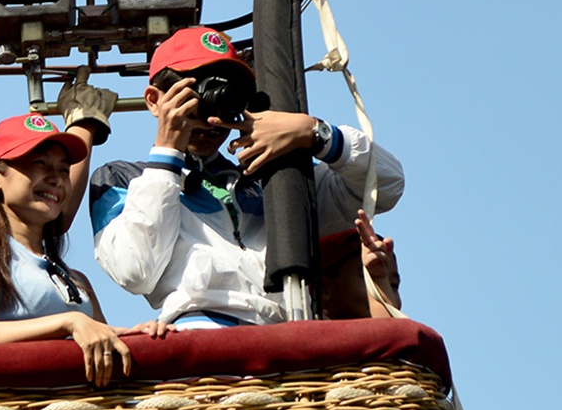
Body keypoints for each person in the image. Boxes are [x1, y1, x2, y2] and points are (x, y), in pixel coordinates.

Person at [90, 26, 403, 328]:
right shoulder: (121, 179)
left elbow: (386, 184)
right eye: (197, 91)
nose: (213, 111)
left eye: (226, 93)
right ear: (154, 100)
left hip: (287, 344)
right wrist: (166, 154)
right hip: (205, 342)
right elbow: (136, 270)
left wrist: (314, 133)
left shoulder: (276, 181)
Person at [0, 106, 164, 384]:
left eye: (64, 170)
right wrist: (70, 321)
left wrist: (135, 334)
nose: (56, 178)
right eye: (39, 164)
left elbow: (100, 335)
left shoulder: (78, 280)